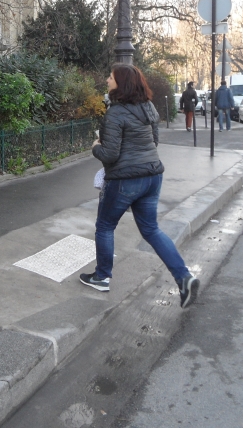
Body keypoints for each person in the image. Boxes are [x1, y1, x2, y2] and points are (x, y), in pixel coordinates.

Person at [79, 64, 200, 309]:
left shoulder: (115, 113)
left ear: (121, 83)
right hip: (152, 176)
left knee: (105, 226)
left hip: (125, 180)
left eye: (110, 77)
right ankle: (184, 277)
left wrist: (95, 147)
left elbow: (110, 154)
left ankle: (102, 277)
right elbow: (153, 141)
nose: (107, 80)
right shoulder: (148, 107)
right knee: (151, 230)